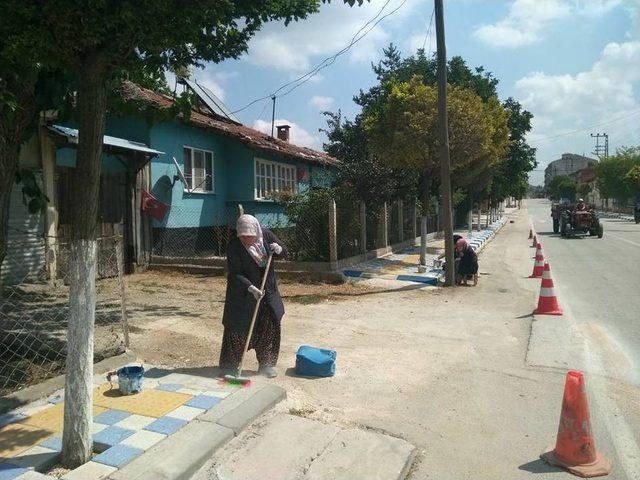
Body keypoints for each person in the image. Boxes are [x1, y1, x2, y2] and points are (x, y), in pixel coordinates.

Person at [219, 214, 287, 378]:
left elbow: (284, 251)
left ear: (256, 231)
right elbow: (235, 273)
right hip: (242, 295)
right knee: (237, 330)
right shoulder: (234, 246)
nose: (246, 239)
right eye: (243, 236)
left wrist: (279, 250)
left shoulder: (267, 235)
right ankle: (230, 366)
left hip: (267, 293)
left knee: (268, 328)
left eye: (250, 236)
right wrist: (250, 287)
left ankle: (266, 364)